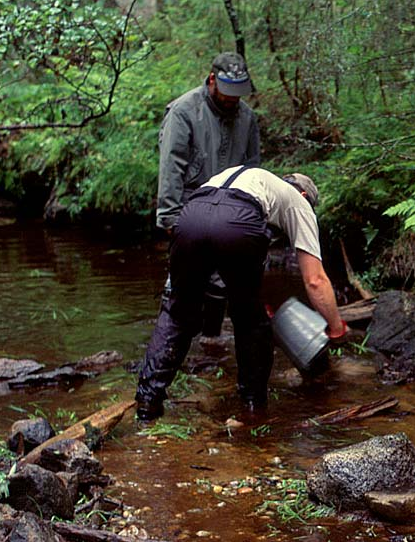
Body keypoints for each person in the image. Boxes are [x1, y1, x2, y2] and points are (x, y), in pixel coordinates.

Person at [135, 166, 348, 421]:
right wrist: (336, 328)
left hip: (191, 215)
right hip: (237, 220)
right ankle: (252, 408)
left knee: (178, 314)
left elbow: (222, 247)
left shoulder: (257, 181)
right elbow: (315, 280)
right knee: (250, 321)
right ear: (304, 195)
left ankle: (147, 403)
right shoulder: (297, 203)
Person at [156, 52, 261, 337]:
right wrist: (169, 218)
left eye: (238, 93)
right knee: (181, 285)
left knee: (221, 284)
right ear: (212, 79)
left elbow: (253, 170)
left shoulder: (247, 119)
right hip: (191, 211)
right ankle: (170, 350)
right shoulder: (183, 111)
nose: (232, 99)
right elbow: (171, 166)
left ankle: (210, 346)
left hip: (231, 216)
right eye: (227, 92)